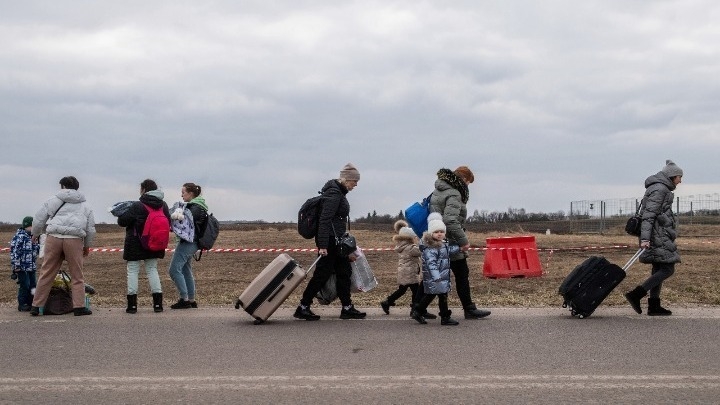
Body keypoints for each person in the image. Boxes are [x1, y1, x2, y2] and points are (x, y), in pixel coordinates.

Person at [294, 163, 367, 321]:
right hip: (330, 242)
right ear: (346, 179)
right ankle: (303, 307)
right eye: (354, 181)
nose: (356, 184)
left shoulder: (338, 192)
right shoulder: (334, 194)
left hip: (337, 242)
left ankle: (347, 308)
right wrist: (322, 245)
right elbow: (324, 220)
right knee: (321, 275)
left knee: (344, 273)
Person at [423, 166, 491, 319]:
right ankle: (469, 309)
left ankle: (418, 307)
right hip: (451, 239)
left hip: (438, 237)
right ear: (463, 179)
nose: (467, 186)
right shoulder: (454, 193)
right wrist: (463, 240)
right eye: (468, 182)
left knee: (434, 273)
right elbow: (450, 220)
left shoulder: (439, 189)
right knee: (462, 274)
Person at [624, 160, 683, 316]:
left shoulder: (660, 188)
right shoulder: (660, 189)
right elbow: (648, 216)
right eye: (679, 177)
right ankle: (636, 294)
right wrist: (645, 239)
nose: (680, 181)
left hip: (659, 234)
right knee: (668, 269)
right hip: (657, 236)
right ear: (672, 176)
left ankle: (654, 306)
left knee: (658, 268)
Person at [30, 176, 96, 316]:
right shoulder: (85, 205)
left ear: (63, 186)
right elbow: (90, 229)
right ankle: (79, 307)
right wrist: (87, 246)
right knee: (77, 275)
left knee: (47, 272)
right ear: (77, 187)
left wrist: (35, 233)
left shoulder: (52, 200)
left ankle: (36, 306)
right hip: (74, 239)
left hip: (53, 237)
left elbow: (39, 218)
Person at [117, 179, 171, 314]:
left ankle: (132, 306)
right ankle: (158, 305)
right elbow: (168, 222)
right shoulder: (163, 205)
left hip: (135, 244)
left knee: (132, 271)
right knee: (152, 270)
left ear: (143, 190)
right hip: (154, 243)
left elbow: (122, 222)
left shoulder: (137, 205)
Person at [411, 213, 461, 325]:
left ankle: (419, 312)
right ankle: (444, 317)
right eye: (436, 232)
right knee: (438, 295)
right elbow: (431, 263)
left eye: (441, 231)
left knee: (436, 295)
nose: (439, 234)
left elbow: (448, 251)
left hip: (441, 277)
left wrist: (459, 248)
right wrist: (436, 276)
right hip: (435, 277)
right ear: (431, 233)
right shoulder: (431, 247)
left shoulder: (442, 245)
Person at [167, 182, 208, 309]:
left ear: (190, 193)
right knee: (186, 270)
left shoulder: (194, 208)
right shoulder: (200, 207)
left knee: (174, 270)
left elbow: (183, 222)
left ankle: (184, 299)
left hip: (188, 243)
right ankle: (191, 299)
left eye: (183, 192)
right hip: (194, 243)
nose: (181, 195)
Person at [380, 220, 425, 316]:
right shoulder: (411, 248)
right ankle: (414, 309)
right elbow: (421, 251)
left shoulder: (402, 246)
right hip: (410, 272)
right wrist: (422, 242)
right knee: (416, 291)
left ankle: (388, 301)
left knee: (402, 290)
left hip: (404, 271)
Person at [10, 216, 40, 311]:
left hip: (31, 266)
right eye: (32, 226)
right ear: (26, 226)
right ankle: (22, 304)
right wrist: (16, 266)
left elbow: (36, 251)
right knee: (25, 285)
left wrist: (38, 244)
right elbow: (16, 252)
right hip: (22, 267)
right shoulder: (20, 237)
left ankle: (32, 303)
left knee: (33, 285)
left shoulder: (33, 237)